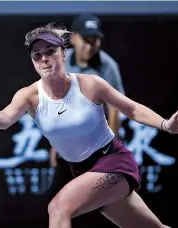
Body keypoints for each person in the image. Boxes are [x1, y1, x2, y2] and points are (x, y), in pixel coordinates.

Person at [0, 23, 178, 228]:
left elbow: (130, 109)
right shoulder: (28, 96)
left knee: (57, 208)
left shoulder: (91, 84)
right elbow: (4, 119)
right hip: (82, 170)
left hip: (114, 162)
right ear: (33, 62)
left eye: (50, 52)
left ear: (63, 54)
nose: (44, 59)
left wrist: (165, 124)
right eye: (37, 56)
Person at [48, 13, 125, 202]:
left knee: (101, 205)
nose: (90, 45)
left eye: (95, 40)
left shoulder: (108, 67)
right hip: (68, 149)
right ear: (73, 38)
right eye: (86, 40)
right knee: (57, 203)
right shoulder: (61, 65)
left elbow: (114, 110)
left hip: (97, 148)